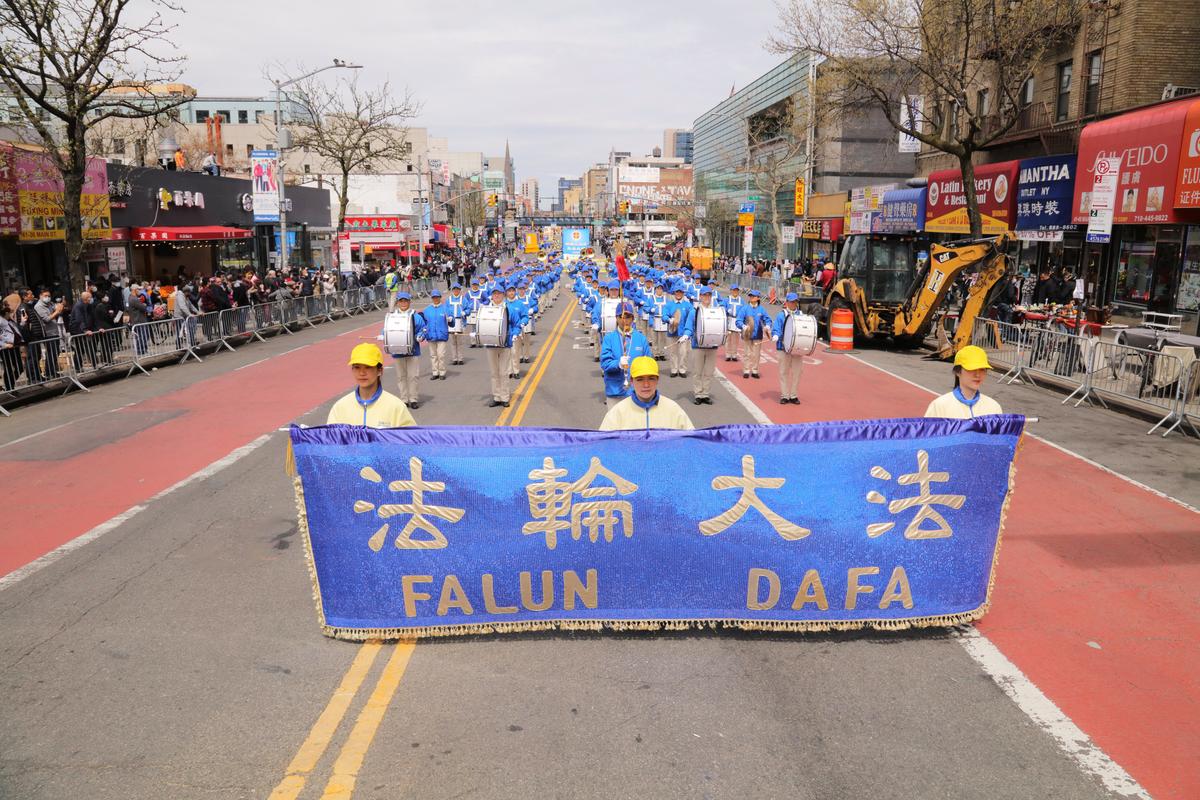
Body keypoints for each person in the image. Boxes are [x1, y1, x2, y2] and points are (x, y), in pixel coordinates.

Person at [326, 343, 416, 427]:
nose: (362, 373)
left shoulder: (396, 407)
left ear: (380, 370)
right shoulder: (340, 407)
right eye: (357, 367)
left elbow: (412, 440)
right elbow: (329, 440)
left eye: (368, 367)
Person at [599, 356, 696, 431]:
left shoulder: (673, 409)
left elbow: (692, 440)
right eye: (640, 379)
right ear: (631, 381)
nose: (646, 385)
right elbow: (602, 445)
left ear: (657, 380)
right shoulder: (617, 412)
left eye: (651, 378)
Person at [924, 345, 1003, 419]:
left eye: (982, 369)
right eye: (971, 369)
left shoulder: (994, 407)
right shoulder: (939, 406)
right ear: (957, 372)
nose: (977, 374)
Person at [599, 301, 652, 407]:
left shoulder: (641, 338)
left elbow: (649, 364)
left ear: (632, 318)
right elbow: (605, 364)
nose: (625, 320)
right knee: (614, 423)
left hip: (636, 393)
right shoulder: (609, 338)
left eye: (628, 317)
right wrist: (617, 364)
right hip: (615, 392)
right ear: (616, 318)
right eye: (621, 317)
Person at [481, 286, 524, 408]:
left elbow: (516, 324)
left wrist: (515, 334)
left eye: (499, 294)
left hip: (505, 344)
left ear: (503, 295)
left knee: (504, 372)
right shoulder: (487, 309)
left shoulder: (509, 308)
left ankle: (505, 397)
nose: (497, 296)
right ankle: (496, 397)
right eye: (495, 294)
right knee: (494, 373)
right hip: (491, 344)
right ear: (492, 296)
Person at [383, 291, 426, 409]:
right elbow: (386, 329)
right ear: (397, 303)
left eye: (405, 301)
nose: (403, 303)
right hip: (397, 351)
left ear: (409, 302)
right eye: (401, 301)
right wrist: (383, 335)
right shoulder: (392, 316)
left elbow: (423, 328)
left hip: (413, 350)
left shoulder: (415, 316)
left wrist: (421, 336)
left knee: (413, 376)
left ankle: (413, 399)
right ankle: (404, 399)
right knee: (401, 376)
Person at [684, 285, 720, 405]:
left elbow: (720, 325)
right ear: (700, 296)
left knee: (709, 372)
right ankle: (698, 394)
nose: (707, 297)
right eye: (705, 295)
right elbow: (689, 326)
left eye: (709, 295)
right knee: (697, 371)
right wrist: (686, 335)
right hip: (698, 345)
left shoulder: (715, 311)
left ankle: (705, 394)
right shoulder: (694, 312)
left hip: (712, 346)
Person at [772, 293, 806, 405]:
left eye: (795, 301)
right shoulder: (781, 315)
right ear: (786, 302)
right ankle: (785, 395)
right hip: (783, 348)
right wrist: (776, 334)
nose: (793, 303)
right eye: (791, 301)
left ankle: (794, 395)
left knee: (797, 372)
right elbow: (776, 327)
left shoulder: (801, 315)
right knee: (783, 372)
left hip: (797, 348)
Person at [736, 289, 771, 379]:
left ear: (758, 298)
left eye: (753, 296)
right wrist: (743, 326)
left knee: (756, 354)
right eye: (750, 296)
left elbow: (767, 319)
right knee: (747, 353)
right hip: (747, 335)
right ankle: (746, 370)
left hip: (758, 335)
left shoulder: (761, 309)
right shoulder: (745, 308)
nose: (751, 297)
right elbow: (738, 320)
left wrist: (767, 326)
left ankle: (755, 370)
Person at [420, 289, 452, 380]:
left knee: (441, 355)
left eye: (437, 297)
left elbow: (451, 323)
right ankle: (435, 372)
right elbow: (424, 323)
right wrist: (424, 332)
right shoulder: (427, 310)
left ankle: (442, 372)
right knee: (433, 355)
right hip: (431, 336)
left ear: (440, 298)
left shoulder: (445, 309)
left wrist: (451, 319)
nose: (435, 299)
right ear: (432, 298)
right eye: (434, 297)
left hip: (442, 335)